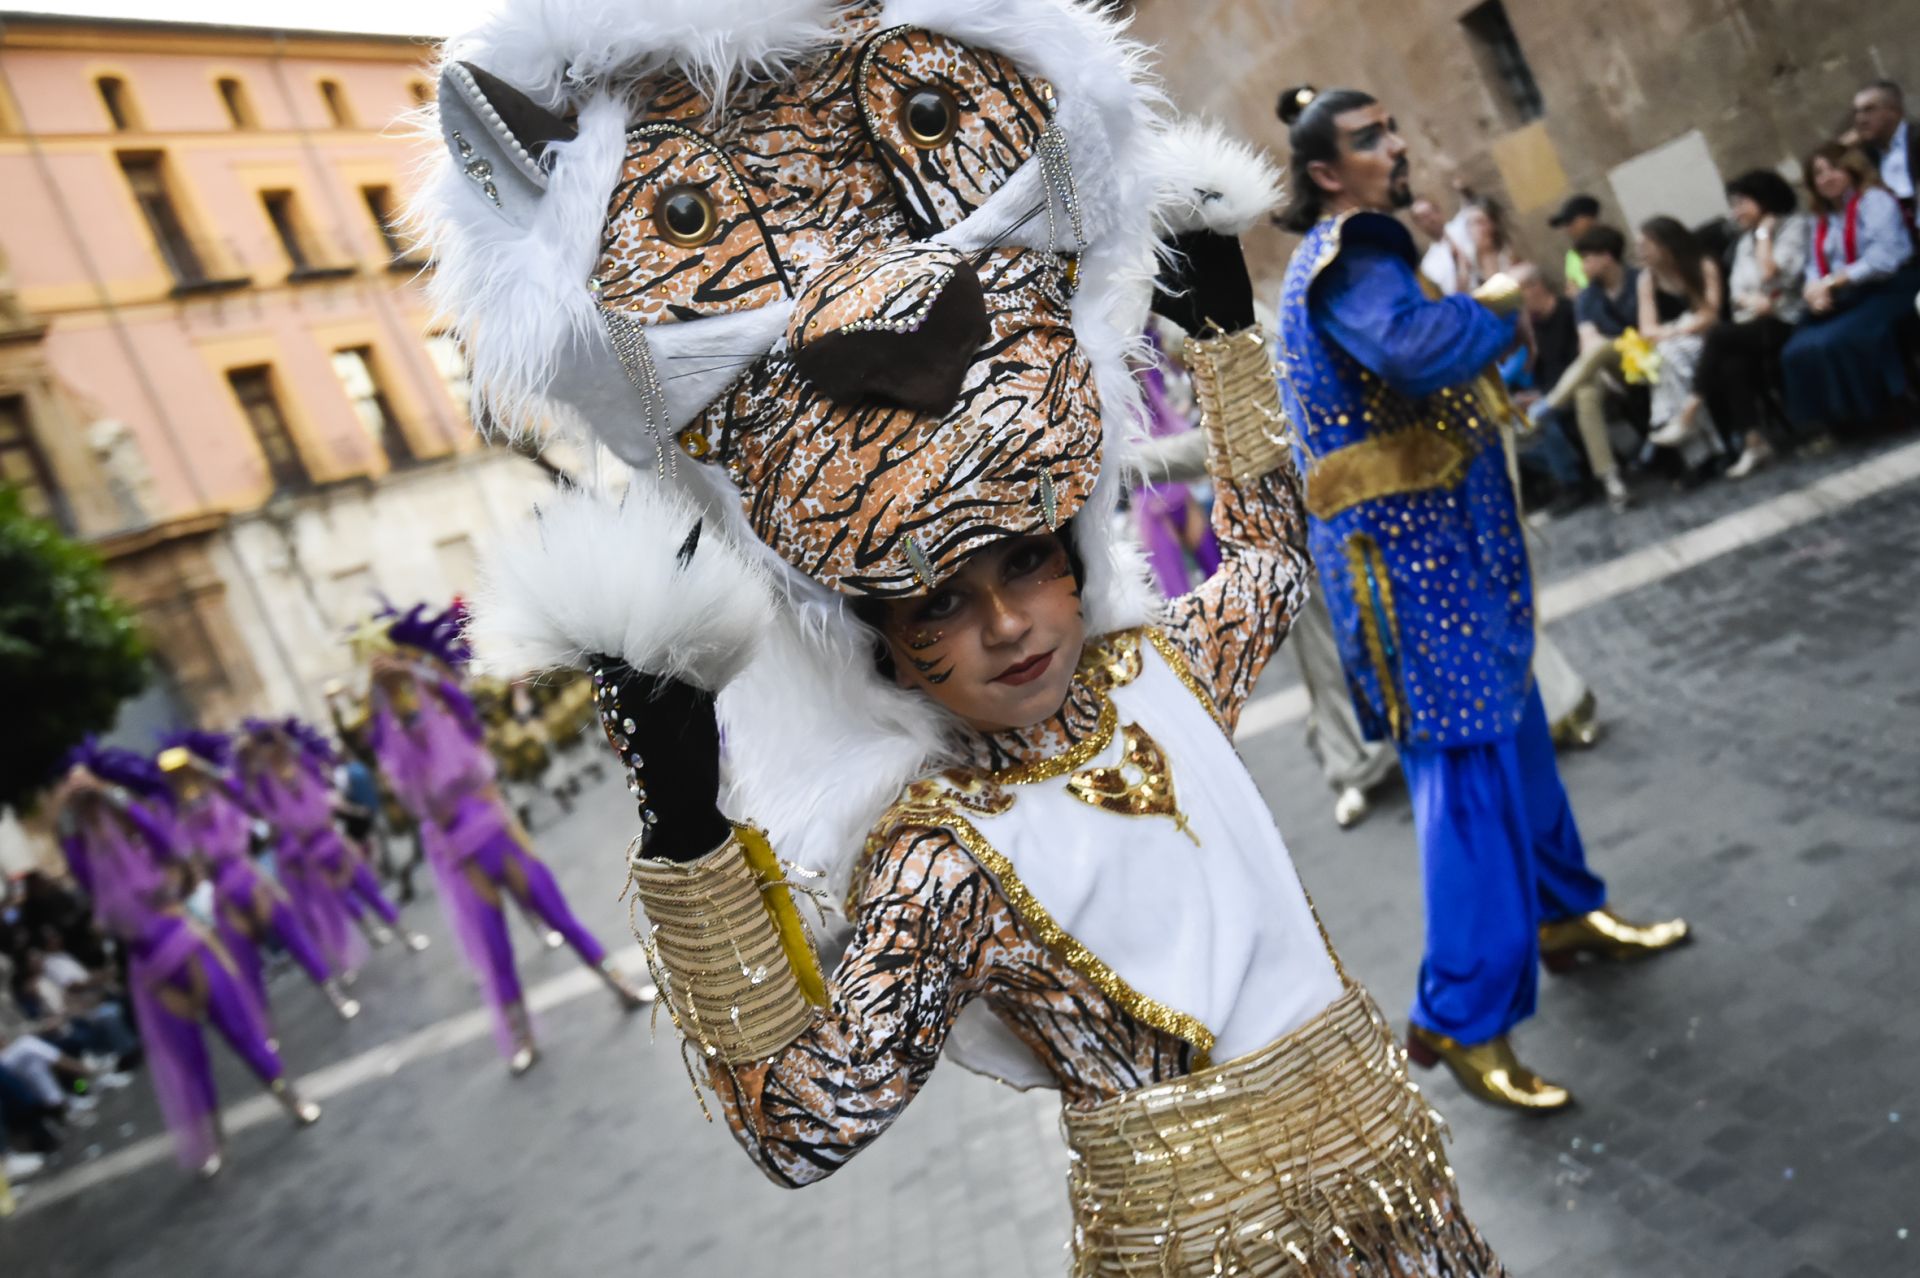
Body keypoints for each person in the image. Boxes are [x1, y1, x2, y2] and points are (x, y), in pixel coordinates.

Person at [425, 17, 1510, 1270]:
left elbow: (1269, 557)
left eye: (1024, 568)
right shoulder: (942, 864)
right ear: (883, 642)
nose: (1005, 625)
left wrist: (1218, 338)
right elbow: (804, 1125)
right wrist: (685, 829)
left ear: (1071, 555)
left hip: (1399, 1184)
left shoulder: (1158, 674)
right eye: (937, 605)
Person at [1271, 85, 1688, 1114]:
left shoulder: (1355, 252)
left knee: (1518, 739)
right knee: (1462, 780)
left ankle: (1562, 913)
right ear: (1327, 173)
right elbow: (1412, 350)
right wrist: (1497, 303)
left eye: (1392, 125)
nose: (1398, 143)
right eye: (1371, 138)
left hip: (1440, 553)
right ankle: (1462, 1018)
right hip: (1408, 570)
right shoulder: (1353, 251)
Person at [360, 604, 650, 1076]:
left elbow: (460, 703)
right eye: (395, 695)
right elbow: (381, 748)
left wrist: (411, 667)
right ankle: (521, 1035)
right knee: (496, 948)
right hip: (459, 849)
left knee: (557, 914)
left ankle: (619, 985)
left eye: (405, 689)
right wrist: (377, 688)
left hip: (495, 830)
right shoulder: (393, 741)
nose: (403, 699)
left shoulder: (448, 710)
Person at [53, 741, 321, 1177]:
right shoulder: (88, 864)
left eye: (99, 817)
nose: (97, 826)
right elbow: (73, 856)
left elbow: (164, 843)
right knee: (188, 1057)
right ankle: (214, 1139)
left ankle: (290, 1097)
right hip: (151, 970)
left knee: (239, 1029)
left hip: (186, 944)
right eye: (89, 821)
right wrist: (69, 806)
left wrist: (107, 794)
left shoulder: (143, 839)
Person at [158, 730, 362, 1023]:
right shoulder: (180, 818)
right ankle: (263, 1028)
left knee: (295, 937)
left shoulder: (222, 794)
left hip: (250, 879)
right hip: (224, 894)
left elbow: (237, 789)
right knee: (245, 964)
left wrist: (198, 766)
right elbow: (179, 855)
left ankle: (334, 994)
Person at [238, 718, 429, 964]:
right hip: (310, 855)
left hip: (333, 841)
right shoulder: (266, 785)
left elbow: (314, 764)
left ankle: (405, 934)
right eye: (266, 748)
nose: (272, 751)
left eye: (273, 745)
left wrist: (278, 735)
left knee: (369, 889)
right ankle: (365, 935)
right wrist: (249, 757)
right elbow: (249, 798)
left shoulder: (301, 764)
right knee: (341, 900)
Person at [1781, 142, 1918, 437]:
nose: (1827, 178)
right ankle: (1837, 421)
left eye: (1834, 168)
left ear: (1851, 169)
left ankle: (1881, 410)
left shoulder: (1874, 201)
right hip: (1846, 297)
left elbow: (1884, 259)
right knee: (1798, 348)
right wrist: (1813, 291)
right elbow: (1813, 267)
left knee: (1843, 339)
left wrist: (1832, 282)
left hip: (1888, 286)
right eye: (1819, 173)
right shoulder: (1821, 220)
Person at [1690, 170, 1810, 478]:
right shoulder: (1744, 243)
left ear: (1764, 200)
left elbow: (1773, 273)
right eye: (1733, 205)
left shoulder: (1792, 227)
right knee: (1731, 363)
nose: (1736, 212)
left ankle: (1690, 405)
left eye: (1742, 203)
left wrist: (1764, 236)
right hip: (1755, 322)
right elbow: (1737, 292)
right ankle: (1754, 442)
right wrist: (1751, 300)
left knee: (1718, 335)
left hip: (1788, 317)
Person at [1534, 225, 1642, 509]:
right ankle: (1611, 480)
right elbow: (1587, 340)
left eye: (1587, 259)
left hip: (1645, 358)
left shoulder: (1639, 280)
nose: (1582, 266)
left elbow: (1647, 331)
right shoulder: (1586, 298)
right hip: (1608, 369)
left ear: (1607, 257)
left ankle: (1552, 402)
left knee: (1606, 347)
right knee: (1585, 393)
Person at [1636, 216, 1727, 462]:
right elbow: (1647, 329)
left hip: (1707, 339)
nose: (1640, 251)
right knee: (1668, 357)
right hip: (1675, 342)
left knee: (1667, 358)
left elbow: (1709, 314)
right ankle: (1706, 439)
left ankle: (1698, 453)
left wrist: (1672, 332)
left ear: (1666, 244)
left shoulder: (1701, 265)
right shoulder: (1647, 279)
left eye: (1646, 245)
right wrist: (1675, 332)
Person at [1851, 80, 1914, 218]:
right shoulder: (1869, 156)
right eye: (1857, 112)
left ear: (1894, 111)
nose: (1860, 119)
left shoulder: (1915, 141)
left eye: (1869, 110)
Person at [1411, 194, 1470, 294]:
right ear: (1418, 225)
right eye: (1423, 217)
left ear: (1439, 211)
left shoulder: (1465, 225)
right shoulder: (1428, 265)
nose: (1430, 219)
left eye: (1431, 212)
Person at [1548, 194, 1602, 294]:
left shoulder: (1609, 245)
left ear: (1589, 218)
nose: (1568, 229)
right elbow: (1571, 291)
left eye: (1570, 221)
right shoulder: (1572, 256)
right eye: (1565, 225)